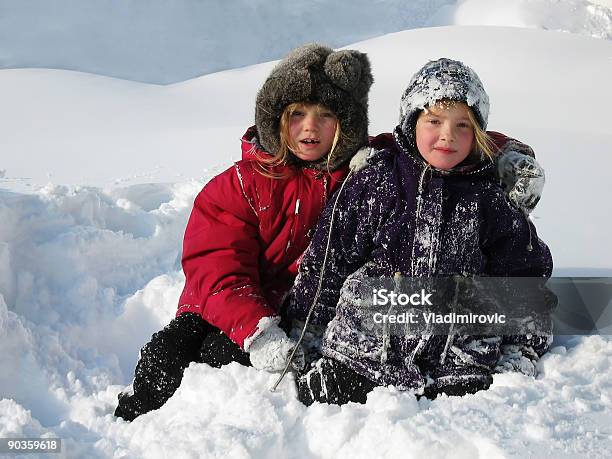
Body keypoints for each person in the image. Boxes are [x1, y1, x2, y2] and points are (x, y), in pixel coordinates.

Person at [114, 46, 545, 421]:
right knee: (170, 356)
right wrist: (256, 328)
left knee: (223, 359)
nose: (310, 128)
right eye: (296, 114)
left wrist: (507, 155)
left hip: (301, 312)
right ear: (274, 118)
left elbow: (437, 138)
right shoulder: (240, 184)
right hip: (234, 307)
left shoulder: (364, 169)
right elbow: (215, 268)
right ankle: (136, 424)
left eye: (326, 116)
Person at [289, 58, 554, 406]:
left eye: (463, 125)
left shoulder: (487, 197)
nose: (448, 135)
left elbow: (521, 273)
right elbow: (330, 258)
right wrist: (306, 330)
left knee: (462, 425)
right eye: (434, 121)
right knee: (324, 405)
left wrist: (521, 348)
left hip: (457, 359)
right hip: (364, 351)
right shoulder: (376, 181)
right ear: (412, 121)